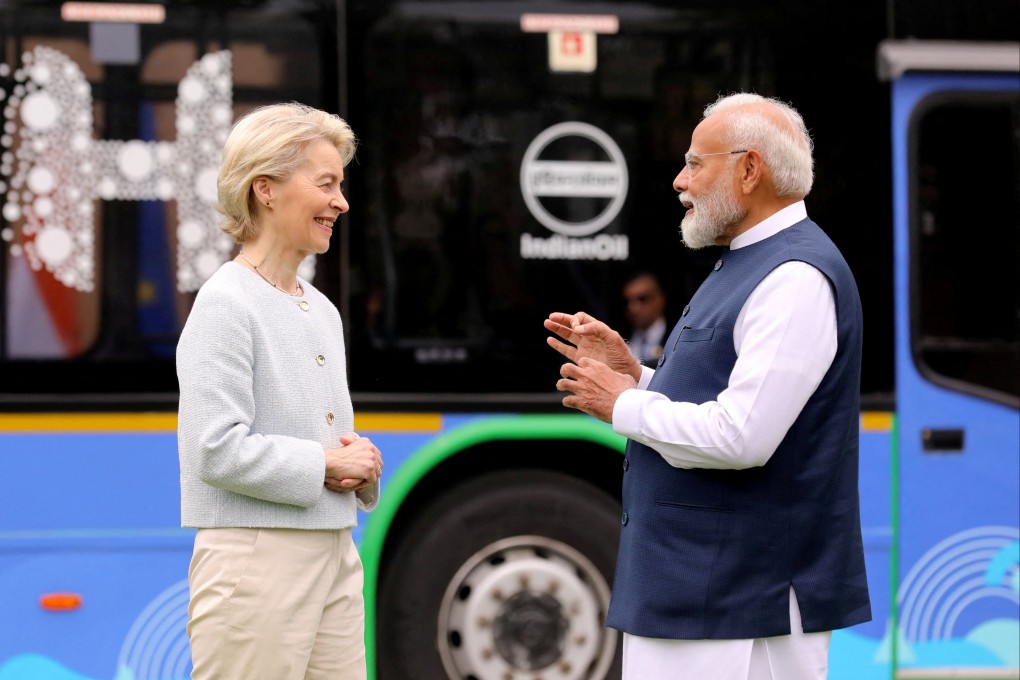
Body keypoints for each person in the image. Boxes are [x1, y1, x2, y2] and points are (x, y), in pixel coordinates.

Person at [544, 92, 870, 680]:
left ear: (749, 170)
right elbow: (723, 399)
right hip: (708, 597)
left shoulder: (794, 277)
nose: (679, 181)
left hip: (739, 603)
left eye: (695, 163)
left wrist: (624, 404)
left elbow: (742, 436)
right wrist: (637, 375)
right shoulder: (753, 260)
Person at [177, 102, 383, 680]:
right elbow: (214, 449)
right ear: (264, 189)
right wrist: (326, 463)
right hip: (255, 562)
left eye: (340, 185)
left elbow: (321, 443)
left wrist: (361, 466)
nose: (341, 202)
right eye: (326, 184)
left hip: (335, 553)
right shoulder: (225, 302)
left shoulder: (322, 309)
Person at [622, 271, 668, 366]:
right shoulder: (621, 341)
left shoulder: (677, 338)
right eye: (627, 301)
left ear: (660, 299)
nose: (633, 308)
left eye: (642, 299)